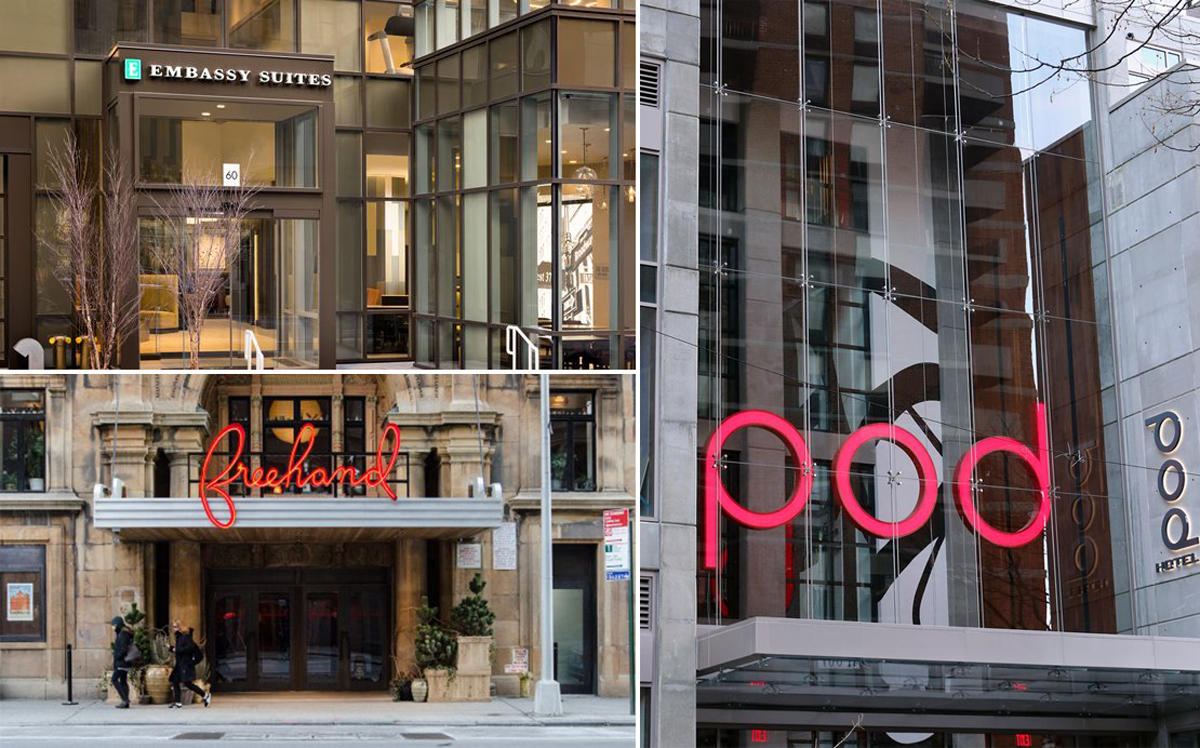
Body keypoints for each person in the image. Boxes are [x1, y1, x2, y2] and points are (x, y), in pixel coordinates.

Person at [168, 620, 210, 708]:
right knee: (175, 681)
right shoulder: (179, 637)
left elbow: (189, 648)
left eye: (175, 627)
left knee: (188, 683)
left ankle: (205, 695)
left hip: (185, 664)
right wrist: (172, 649)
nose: (173, 629)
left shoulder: (185, 636)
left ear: (180, 627)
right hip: (180, 664)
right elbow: (181, 649)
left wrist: (176, 650)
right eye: (173, 627)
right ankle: (178, 702)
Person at [110, 616, 132, 708]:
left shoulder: (123, 634)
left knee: (114, 680)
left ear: (118, 624)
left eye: (114, 625)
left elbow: (123, 649)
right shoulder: (123, 633)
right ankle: (126, 702)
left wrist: (117, 657)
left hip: (121, 662)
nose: (113, 627)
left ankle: (125, 700)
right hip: (124, 662)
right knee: (123, 681)